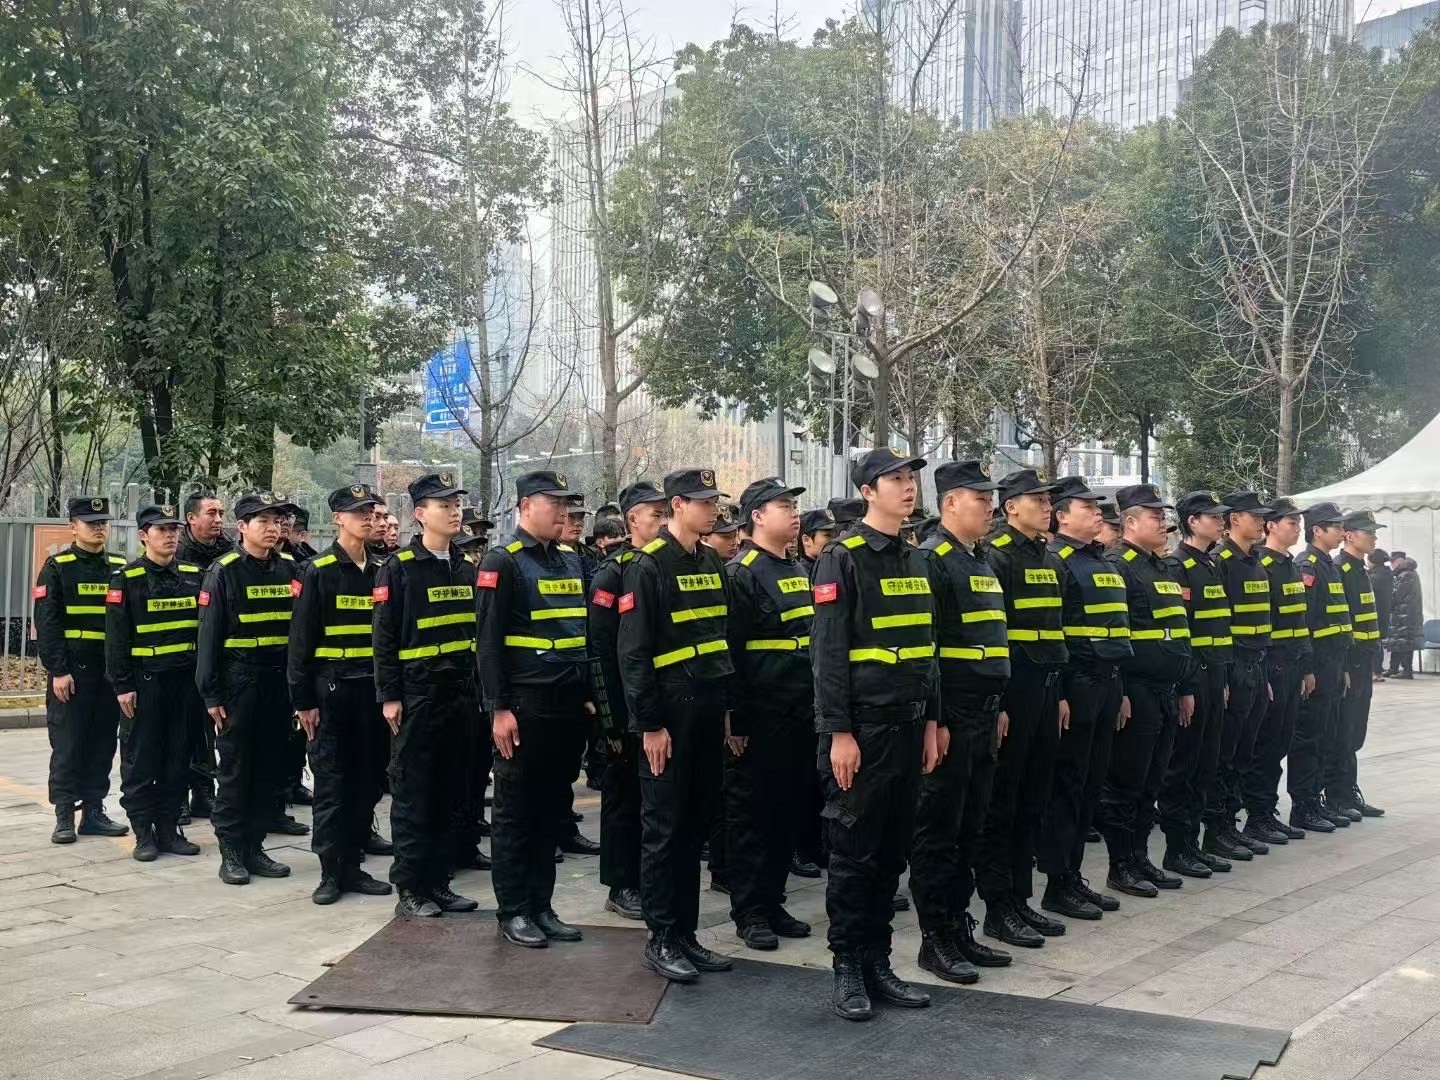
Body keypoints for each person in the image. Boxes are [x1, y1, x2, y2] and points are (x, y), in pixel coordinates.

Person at [812, 448, 940, 1021]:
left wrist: (932, 720)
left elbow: (928, 649)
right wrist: (839, 732)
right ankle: (847, 966)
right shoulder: (843, 558)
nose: (908, 486)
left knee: (891, 853)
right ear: (867, 491)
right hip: (863, 732)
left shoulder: (915, 558)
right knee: (854, 853)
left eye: (911, 478)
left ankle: (878, 962)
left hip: (911, 726)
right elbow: (828, 654)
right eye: (895, 479)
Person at [619, 468, 736, 984]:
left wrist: (728, 712)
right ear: (678, 506)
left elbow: (721, 638)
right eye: (704, 502)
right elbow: (633, 653)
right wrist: (649, 724)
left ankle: (686, 933)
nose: (713, 510)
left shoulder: (711, 561)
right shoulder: (648, 565)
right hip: (669, 715)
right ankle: (662, 936)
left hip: (708, 709)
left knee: (694, 826)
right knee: (664, 830)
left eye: (715, 502)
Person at [476, 470, 594, 947]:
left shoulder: (571, 560)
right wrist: (498, 709)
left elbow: (580, 631)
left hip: (566, 705)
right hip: (525, 707)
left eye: (566, 504)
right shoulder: (502, 561)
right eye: (554, 503)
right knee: (515, 812)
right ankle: (513, 910)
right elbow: (487, 643)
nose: (563, 512)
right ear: (526, 506)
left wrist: (587, 691)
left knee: (551, 810)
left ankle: (542, 905)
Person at [911, 461, 1013, 984]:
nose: (990, 508)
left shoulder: (980, 560)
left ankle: (958, 927)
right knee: (939, 833)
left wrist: (999, 706)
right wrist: (939, 719)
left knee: (971, 828)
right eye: (981, 499)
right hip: (952, 717)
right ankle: (935, 938)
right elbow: (927, 650)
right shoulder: (932, 560)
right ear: (951, 502)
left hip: (984, 713)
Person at [372, 471, 482, 917]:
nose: (454, 512)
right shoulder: (399, 568)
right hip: (418, 696)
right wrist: (390, 695)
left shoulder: (466, 566)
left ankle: (440, 881)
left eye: (456, 505)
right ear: (420, 514)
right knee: (415, 793)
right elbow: (384, 636)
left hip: (460, 695)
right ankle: (412, 887)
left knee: (453, 791)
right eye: (443, 505)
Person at [287, 484, 394, 905]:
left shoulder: (382, 569)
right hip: (331, 693)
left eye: (371, 511)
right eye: (358, 512)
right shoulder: (317, 570)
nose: (368, 518)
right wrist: (303, 702)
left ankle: (354, 863)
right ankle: (332, 871)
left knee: (368, 781)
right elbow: (300, 642)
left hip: (372, 692)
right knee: (333, 784)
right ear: (337, 519)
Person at [976, 469, 1068, 949]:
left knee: (1033, 800)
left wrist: (1062, 692)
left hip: (1048, 688)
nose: (1047, 507)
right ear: (1011, 506)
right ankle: (998, 907)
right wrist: (1001, 702)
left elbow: (1055, 629)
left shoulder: (1047, 557)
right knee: (1004, 803)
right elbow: (995, 634)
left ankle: (1020, 898)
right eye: (1038, 500)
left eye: (1049, 500)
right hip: (1016, 691)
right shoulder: (997, 556)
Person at [723, 477, 814, 953]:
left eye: (794, 506)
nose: (793, 513)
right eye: (783, 506)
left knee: (787, 812)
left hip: (801, 708)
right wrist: (735, 720)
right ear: (757, 516)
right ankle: (750, 910)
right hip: (761, 714)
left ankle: (773, 900)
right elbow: (732, 651)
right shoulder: (742, 572)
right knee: (753, 817)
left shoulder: (797, 568)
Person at [196, 491, 301, 884]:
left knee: (269, 770)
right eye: (263, 521)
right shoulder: (224, 571)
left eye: (277, 521)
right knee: (236, 771)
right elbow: (208, 637)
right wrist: (211, 694)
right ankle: (232, 851)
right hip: (239, 685)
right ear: (242, 527)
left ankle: (255, 847)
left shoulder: (289, 568)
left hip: (278, 684)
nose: (273, 528)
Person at [1040, 477, 1130, 920]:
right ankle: (1057, 883)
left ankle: (1073, 876)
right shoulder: (1056, 561)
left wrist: (1121, 690)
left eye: (1098, 507)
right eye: (1087, 507)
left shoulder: (1101, 560)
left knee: (1091, 786)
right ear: (1061, 516)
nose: (1098, 513)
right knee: (1067, 787)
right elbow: (1052, 633)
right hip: (1075, 685)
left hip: (1107, 682)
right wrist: (1059, 692)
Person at [1098, 484, 1191, 899]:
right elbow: (1115, 636)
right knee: (1126, 782)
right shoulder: (1118, 566)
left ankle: (1139, 857)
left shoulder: (1163, 567)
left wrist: (1184, 685)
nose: (1164, 524)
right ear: (1131, 522)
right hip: (1136, 689)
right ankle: (1120, 864)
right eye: (1155, 517)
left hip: (1165, 688)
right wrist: (1120, 690)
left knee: (1152, 781)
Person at [104, 504, 204, 862]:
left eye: (174, 529)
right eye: (162, 530)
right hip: (145, 684)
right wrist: (122, 685)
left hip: (184, 683)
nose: (170, 536)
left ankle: (169, 829)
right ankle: (143, 833)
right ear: (144, 535)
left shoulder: (193, 575)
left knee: (178, 758)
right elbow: (116, 638)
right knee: (141, 760)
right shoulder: (126, 578)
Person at [590, 481, 667, 920]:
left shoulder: (664, 564)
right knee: (623, 798)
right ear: (632, 520)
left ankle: (649, 880)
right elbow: (600, 651)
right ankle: (621, 884)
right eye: (655, 514)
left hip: (657, 701)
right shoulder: (612, 572)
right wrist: (610, 720)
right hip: (623, 706)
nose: (662, 521)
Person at [36, 496, 129, 846]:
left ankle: (93, 812)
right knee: (68, 744)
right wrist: (58, 670)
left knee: (102, 744)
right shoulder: (58, 567)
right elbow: (47, 623)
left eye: (103, 522)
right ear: (73, 527)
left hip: (108, 674)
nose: (99, 528)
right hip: (73, 673)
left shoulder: (119, 566)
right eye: (91, 523)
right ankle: (64, 815)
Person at [1161, 492, 1234, 880]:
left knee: (1207, 763)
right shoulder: (1178, 566)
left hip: (1215, 674)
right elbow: (1181, 630)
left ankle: (1196, 843)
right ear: (1192, 521)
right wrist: (1187, 685)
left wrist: (1221, 679)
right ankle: (1177, 848)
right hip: (1194, 675)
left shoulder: (1211, 563)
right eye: (1213, 517)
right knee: (1184, 765)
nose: (1221, 522)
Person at [1207, 491, 1274, 861]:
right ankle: (1217, 829)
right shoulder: (1222, 561)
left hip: (1256, 664)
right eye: (1255, 516)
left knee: (1245, 752)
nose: (1262, 522)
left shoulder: (1255, 560)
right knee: (1225, 754)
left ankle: (1232, 824)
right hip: (1234, 665)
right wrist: (1227, 676)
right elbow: (1219, 622)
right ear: (1235, 519)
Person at [1249, 498, 1313, 846]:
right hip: (1271, 665)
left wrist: (1306, 667)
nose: (1297, 528)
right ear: (1271, 526)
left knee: (1280, 744)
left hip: (1292, 664)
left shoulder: (1289, 565)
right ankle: (1257, 815)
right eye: (1291, 523)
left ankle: (1266, 812)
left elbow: (1299, 621)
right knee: (1266, 743)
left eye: (1298, 523)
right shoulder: (1262, 565)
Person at [1290, 501, 1351, 833]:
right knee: (1309, 737)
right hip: (1317, 664)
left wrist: (1342, 666)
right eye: (1336, 527)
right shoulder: (1308, 565)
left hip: (1334, 662)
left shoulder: (1329, 565)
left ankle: (1316, 800)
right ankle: (1303, 805)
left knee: (1326, 734)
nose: (1342, 532)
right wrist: (1308, 668)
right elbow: (1306, 621)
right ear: (1317, 530)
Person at [176, 493, 231, 822]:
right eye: (211, 513)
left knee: (206, 730)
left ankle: (203, 792)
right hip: (182, 658)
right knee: (181, 730)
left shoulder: (227, 552)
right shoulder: (177, 553)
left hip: (215, 657)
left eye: (221, 513)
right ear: (191, 518)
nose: (218, 519)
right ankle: (179, 797)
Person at [1329, 511, 1386, 820]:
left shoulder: (1360, 569)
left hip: (1364, 662)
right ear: (1349, 536)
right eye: (1369, 532)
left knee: (1354, 730)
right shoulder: (1340, 570)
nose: (1374, 537)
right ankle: (1337, 794)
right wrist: (1345, 667)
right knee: (1343, 730)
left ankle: (1348, 790)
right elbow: (1339, 622)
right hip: (1350, 662)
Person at [1386, 557, 1422, 680]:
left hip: (1404, 614)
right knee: (1398, 641)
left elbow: (1396, 595)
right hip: (1405, 613)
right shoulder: (1409, 573)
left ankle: (1406, 670)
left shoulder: (1405, 575)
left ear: (1399, 561)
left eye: (1392, 562)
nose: (1391, 565)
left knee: (1404, 642)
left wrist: (1386, 604)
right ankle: (1394, 668)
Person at [1369, 549, 1394, 679]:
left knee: (1373, 643)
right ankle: (1378, 671)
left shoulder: (1374, 577)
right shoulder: (1388, 574)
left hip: (1374, 613)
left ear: (1374, 561)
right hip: (1384, 613)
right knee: (1378, 642)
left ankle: (1375, 671)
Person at [798, 509, 836, 577]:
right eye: (828, 535)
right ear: (806, 540)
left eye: (835, 534)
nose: (834, 539)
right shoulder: (799, 574)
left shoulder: (833, 567)